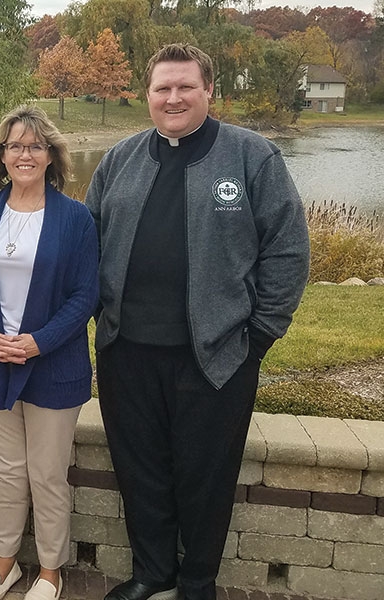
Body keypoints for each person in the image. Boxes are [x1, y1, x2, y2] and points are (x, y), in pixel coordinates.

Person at [86, 44, 309, 600]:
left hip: (215, 356)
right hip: (126, 351)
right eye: (162, 88)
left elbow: (287, 252)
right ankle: (152, 571)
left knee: (205, 478)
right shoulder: (119, 161)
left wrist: (257, 337)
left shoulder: (251, 158)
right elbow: (85, 244)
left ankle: (197, 581)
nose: (174, 98)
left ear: (209, 90)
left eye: (185, 87)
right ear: (147, 96)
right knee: (141, 472)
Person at [0, 105, 98, 600]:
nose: (24, 154)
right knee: (8, 468)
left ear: (52, 155)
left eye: (35, 145)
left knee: (47, 472)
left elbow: (85, 295)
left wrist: (39, 341)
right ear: (1, 154)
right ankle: (5, 560)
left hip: (53, 365)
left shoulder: (75, 217)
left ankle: (52, 569)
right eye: (15, 145)